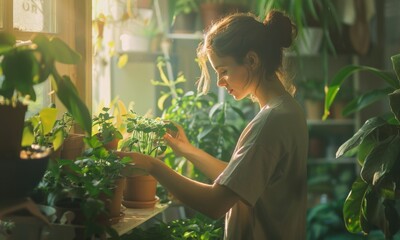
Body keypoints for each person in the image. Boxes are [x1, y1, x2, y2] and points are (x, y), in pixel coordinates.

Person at [117, 10, 308, 240]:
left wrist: (152, 166)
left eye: (224, 71)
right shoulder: (288, 110)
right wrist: (187, 150)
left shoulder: (271, 121)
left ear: (252, 60)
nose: (220, 82)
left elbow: (216, 203)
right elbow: (239, 181)